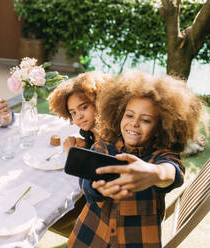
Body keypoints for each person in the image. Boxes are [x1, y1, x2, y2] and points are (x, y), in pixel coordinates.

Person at [68, 70, 205, 248]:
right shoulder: (104, 146)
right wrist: (95, 187)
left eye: (146, 120)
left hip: (136, 241)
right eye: (129, 115)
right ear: (118, 114)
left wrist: (154, 173)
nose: (134, 123)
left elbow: (173, 172)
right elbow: (85, 184)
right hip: (90, 236)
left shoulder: (161, 156)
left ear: (162, 126)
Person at [48, 71, 109, 237]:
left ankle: (79, 235)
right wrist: (86, 147)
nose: (79, 116)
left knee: (50, 213)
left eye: (84, 107)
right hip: (93, 200)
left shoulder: (109, 136)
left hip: (103, 209)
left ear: (99, 101)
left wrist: (73, 154)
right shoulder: (92, 132)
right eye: (73, 112)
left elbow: (96, 178)